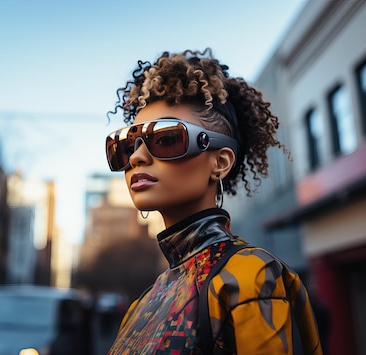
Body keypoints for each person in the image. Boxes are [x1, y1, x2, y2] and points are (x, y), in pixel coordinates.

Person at [104, 49, 323, 354]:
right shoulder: (141, 305)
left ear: (220, 161)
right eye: (125, 147)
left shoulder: (251, 277)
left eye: (166, 138)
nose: (137, 157)